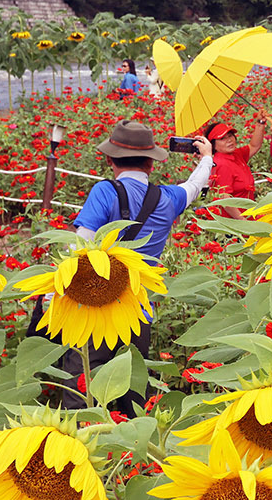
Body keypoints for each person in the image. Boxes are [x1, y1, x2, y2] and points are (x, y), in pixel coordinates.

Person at [48, 120, 213, 415]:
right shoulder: (167, 198)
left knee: (83, 383)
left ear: (110, 159)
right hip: (137, 307)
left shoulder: (104, 192)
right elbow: (194, 186)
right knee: (133, 387)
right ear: (151, 164)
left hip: (93, 306)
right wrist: (207, 157)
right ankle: (133, 453)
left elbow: (80, 245)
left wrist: (52, 292)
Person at [204, 119, 265, 211]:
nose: (229, 140)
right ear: (213, 145)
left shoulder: (236, 154)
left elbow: (254, 146)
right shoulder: (221, 164)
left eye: (230, 136)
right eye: (222, 138)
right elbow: (225, 199)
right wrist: (242, 220)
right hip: (234, 220)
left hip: (247, 213)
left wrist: (260, 123)